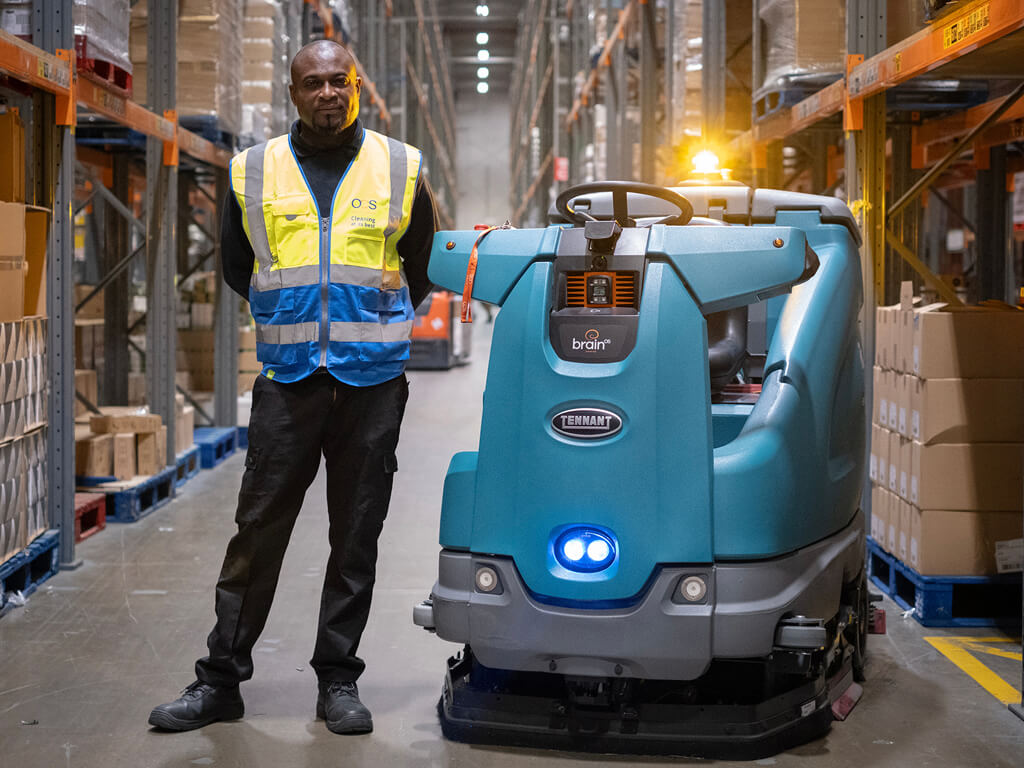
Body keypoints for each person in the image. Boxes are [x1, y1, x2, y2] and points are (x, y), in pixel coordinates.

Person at [149, 40, 437, 736]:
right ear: (293, 92)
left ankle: (338, 680)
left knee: (356, 533)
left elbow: (421, 265)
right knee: (258, 530)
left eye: (340, 81)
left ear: (357, 86)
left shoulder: (399, 167)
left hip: (371, 385)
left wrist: (368, 323)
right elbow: (237, 265)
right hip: (290, 381)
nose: (329, 92)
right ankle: (220, 680)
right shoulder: (253, 170)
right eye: (314, 82)